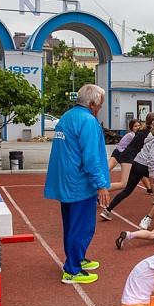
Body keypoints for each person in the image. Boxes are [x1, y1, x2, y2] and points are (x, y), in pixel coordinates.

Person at [44, 83, 110, 284]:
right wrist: (100, 184)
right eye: (99, 104)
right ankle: (72, 269)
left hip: (67, 181)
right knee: (82, 227)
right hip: (80, 183)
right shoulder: (88, 121)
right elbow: (91, 157)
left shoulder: (67, 117)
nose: (100, 108)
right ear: (92, 103)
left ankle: (77, 259)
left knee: (72, 225)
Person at [101, 117, 154, 221]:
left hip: (136, 162)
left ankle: (107, 210)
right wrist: (151, 172)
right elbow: (151, 156)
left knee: (127, 189)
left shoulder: (147, 132)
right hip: (135, 159)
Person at [107, 119, 141, 193]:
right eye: (135, 126)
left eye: (139, 126)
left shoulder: (137, 135)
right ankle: (98, 188)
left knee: (139, 171)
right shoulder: (131, 135)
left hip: (126, 156)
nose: (137, 127)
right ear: (131, 127)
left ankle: (149, 188)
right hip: (118, 153)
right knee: (107, 169)